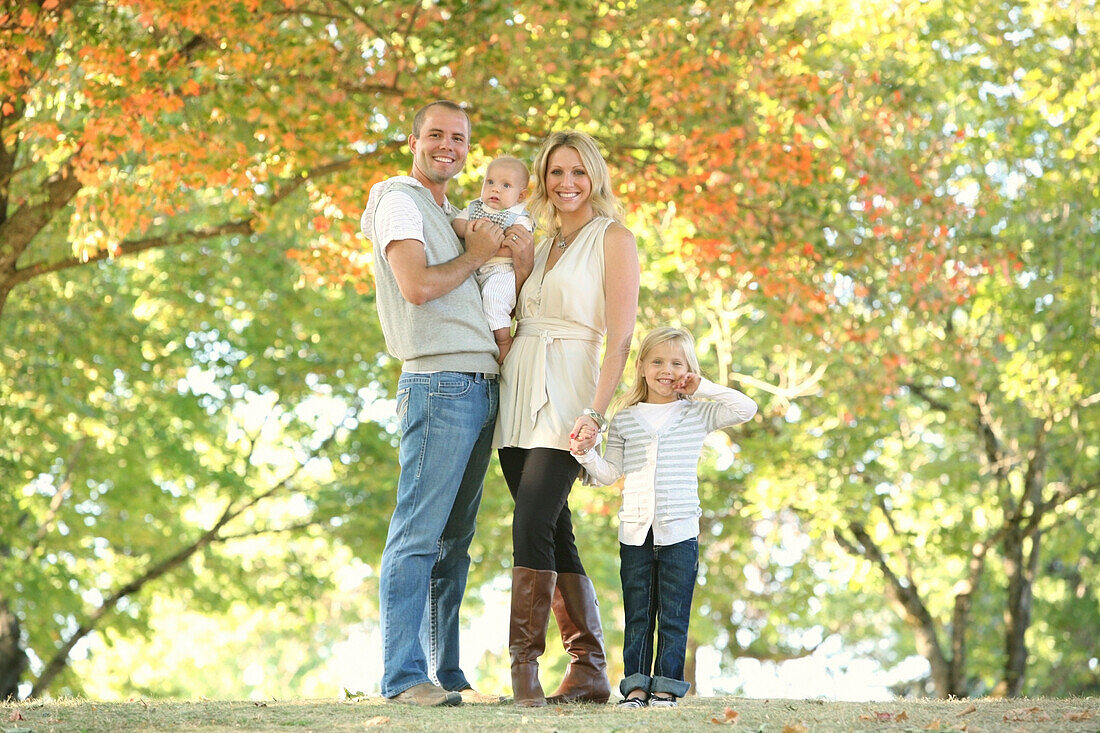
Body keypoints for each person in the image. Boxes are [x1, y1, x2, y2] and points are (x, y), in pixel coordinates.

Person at [360, 100, 534, 707]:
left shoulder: (454, 210)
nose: (448, 146)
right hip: (440, 383)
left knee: (454, 541)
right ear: (413, 140)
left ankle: (447, 673)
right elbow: (416, 286)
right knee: (417, 533)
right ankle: (403, 677)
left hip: (481, 382)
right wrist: (480, 256)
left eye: (459, 138)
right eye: (435, 135)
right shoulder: (399, 198)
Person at [495, 130, 640, 707]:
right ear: (543, 178)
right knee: (553, 526)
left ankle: (523, 672)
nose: (567, 183)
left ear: (596, 177)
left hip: (571, 387)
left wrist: (594, 414)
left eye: (579, 172)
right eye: (556, 172)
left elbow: (621, 338)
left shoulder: (614, 238)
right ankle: (589, 668)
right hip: (517, 383)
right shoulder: (536, 237)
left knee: (532, 520)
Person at [570, 327, 758, 708]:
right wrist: (585, 453)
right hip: (635, 531)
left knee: (674, 614)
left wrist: (701, 386)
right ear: (640, 367)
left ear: (689, 370)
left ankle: (666, 689)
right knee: (638, 613)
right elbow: (607, 474)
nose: (666, 370)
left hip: (681, 530)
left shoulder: (697, 412)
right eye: (657, 361)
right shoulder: (624, 419)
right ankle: (636, 688)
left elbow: (745, 408)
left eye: (677, 363)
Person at [452, 156, 535, 362]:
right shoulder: (475, 208)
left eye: (506, 185)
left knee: (493, 299)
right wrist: (471, 230)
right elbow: (457, 225)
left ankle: (504, 341)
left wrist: (482, 245)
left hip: (502, 272)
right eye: (490, 182)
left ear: (520, 195)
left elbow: (514, 249)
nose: (495, 189)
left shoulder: (519, 217)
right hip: (477, 271)